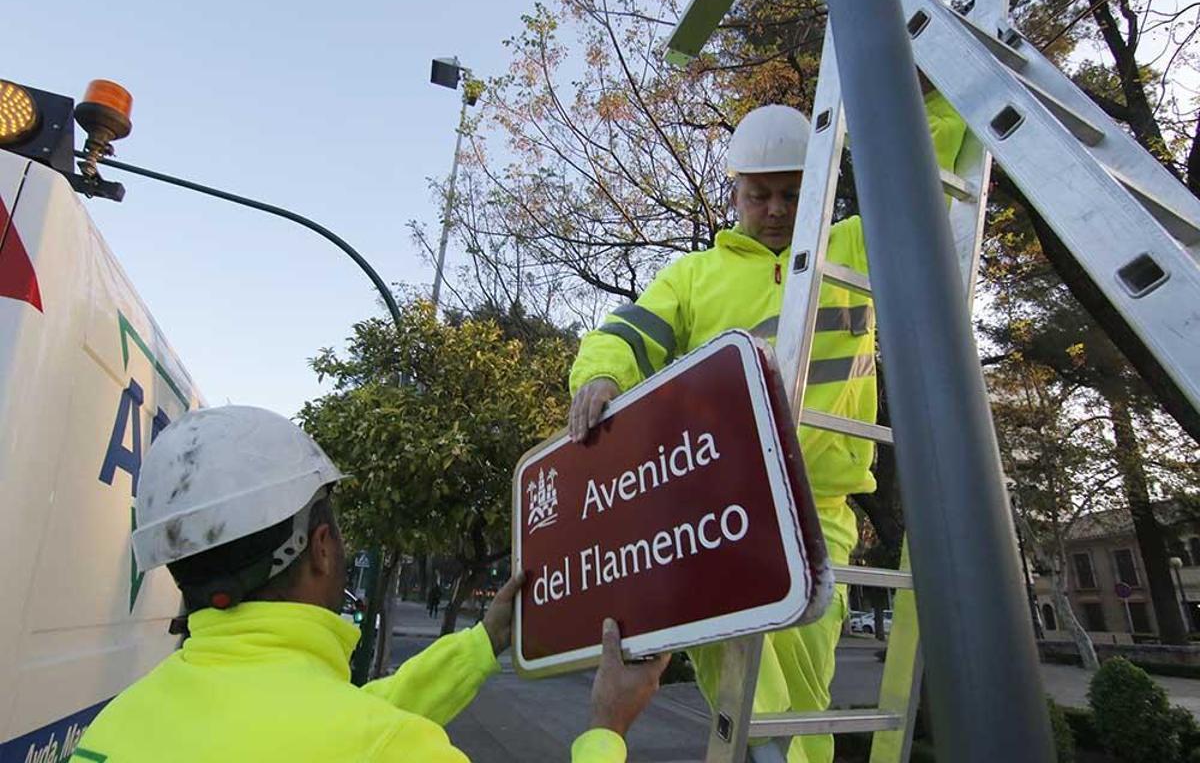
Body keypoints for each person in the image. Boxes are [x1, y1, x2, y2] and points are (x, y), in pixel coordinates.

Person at [567, 91, 966, 762]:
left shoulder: (854, 247)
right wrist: (601, 377)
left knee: (806, 671)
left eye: (791, 194)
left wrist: (913, 74)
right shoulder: (694, 276)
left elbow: (918, 166)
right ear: (736, 195)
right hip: (719, 507)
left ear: (816, 191)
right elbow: (625, 334)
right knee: (730, 665)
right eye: (760, 195)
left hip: (820, 505)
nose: (777, 209)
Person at [74, 405, 669, 762]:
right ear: (321, 547)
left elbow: (350, 714)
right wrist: (606, 730)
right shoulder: (388, 748)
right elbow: (353, 730)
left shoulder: (111, 729)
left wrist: (483, 642)